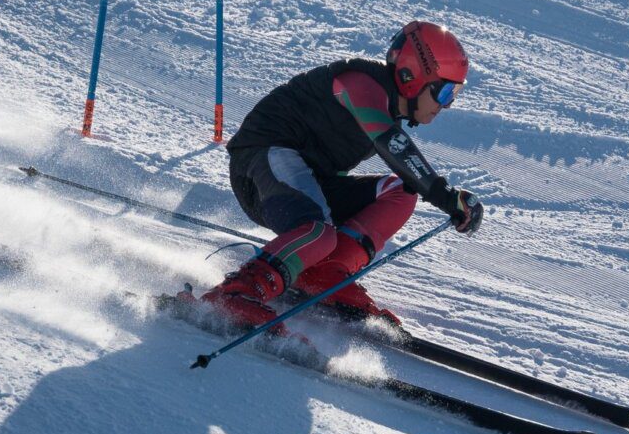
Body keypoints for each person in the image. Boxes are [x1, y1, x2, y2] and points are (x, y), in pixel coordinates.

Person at [198, 20, 484, 329]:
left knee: (400, 192)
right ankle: (240, 290)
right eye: (444, 92)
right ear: (411, 76)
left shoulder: (387, 110)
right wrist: (446, 196)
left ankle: (324, 272)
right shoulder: (360, 83)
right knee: (320, 231)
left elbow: (396, 149)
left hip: (308, 178)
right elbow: (392, 144)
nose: (448, 104)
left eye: (454, 93)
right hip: (262, 162)